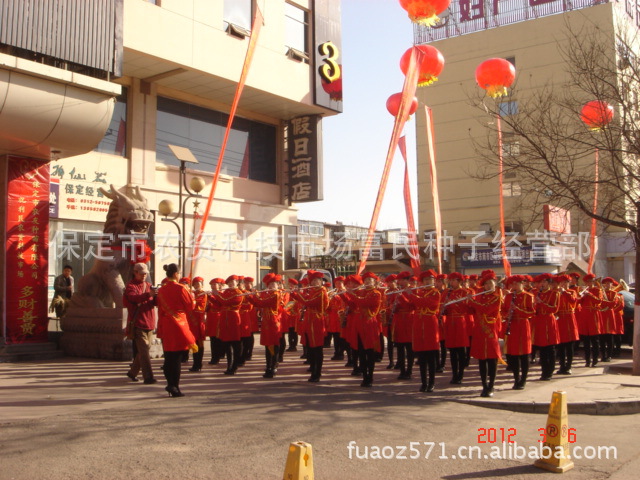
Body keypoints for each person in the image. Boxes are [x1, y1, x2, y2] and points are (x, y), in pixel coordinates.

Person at [156, 263, 196, 397]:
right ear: (175, 274)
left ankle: (169, 383)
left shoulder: (161, 290)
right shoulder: (181, 288)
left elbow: (161, 309)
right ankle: (174, 386)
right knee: (177, 357)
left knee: (168, 356)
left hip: (166, 323)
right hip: (179, 324)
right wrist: (193, 299)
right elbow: (190, 306)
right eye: (179, 273)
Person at [342, 272, 383, 387]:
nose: (367, 282)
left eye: (370, 280)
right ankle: (364, 375)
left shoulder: (376, 293)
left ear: (374, 282)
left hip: (369, 324)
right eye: (365, 280)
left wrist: (353, 294)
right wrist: (343, 295)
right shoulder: (361, 292)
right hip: (359, 325)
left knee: (369, 352)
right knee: (360, 351)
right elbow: (353, 305)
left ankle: (370, 377)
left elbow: (364, 303)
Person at [467, 270, 503, 397]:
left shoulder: (497, 297)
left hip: (491, 330)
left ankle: (491, 386)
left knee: (492, 359)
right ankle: (484, 385)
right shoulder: (479, 296)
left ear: (495, 283)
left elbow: (486, 309)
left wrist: (473, 302)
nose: (488, 286)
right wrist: (466, 301)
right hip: (479, 331)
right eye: (486, 284)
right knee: (481, 359)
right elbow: (472, 310)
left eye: (490, 283)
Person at [405, 270, 441, 392]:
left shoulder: (435, 292)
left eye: (430, 280)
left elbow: (427, 303)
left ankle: (431, 382)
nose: (427, 281)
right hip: (419, 325)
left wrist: (412, 295)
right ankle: (423, 382)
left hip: (430, 325)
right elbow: (412, 306)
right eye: (425, 280)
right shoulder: (420, 292)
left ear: (434, 281)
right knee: (422, 357)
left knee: (430, 356)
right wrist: (404, 297)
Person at [291, 270, 329, 382]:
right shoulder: (313, 291)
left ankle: (317, 373)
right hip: (309, 321)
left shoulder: (322, 291)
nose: (314, 283)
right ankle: (313, 368)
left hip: (317, 322)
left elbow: (309, 302)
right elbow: (305, 300)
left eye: (317, 281)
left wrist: (298, 294)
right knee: (310, 347)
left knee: (317, 348)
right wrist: (295, 293)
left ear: (321, 281)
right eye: (313, 281)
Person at [123, 263, 157, 384]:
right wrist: (149, 295)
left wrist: (157, 295)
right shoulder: (130, 286)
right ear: (135, 272)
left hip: (150, 322)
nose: (144, 276)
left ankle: (132, 372)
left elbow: (154, 303)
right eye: (141, 273)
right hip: (138, 322)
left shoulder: (149, 285)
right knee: (144, 352)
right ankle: (148, 377)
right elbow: (133, 298)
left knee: (144, 350)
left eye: (145, 274)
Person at [502, 275, 535, 390]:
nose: (515, 286)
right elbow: (503, 311)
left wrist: (517, 309)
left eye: (517, 284)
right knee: (514, 354)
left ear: (522, 284)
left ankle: (523, 379)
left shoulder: (528, 296)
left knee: (524, 354)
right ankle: (516, 379)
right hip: (512, 326)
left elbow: (531, 313)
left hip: (523, 325)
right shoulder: (508, 296)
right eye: (513, 284)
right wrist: (506, 315)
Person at [246, 273, 282, 378]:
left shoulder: (276, 294)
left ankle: (274, 365)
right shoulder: (267, 293)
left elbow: (262, 303)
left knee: (274, 344)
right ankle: (268, 366)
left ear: (278, 285)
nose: (271, 286)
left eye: (274, 284)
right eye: (269, 284)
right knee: (267, 345)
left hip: (273, 322)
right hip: (266, 321)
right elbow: (258, 303)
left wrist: (253, 296)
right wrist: (250, 297)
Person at [213, 275, 244, 375]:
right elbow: (219, 304)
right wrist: (211, 297)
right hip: (224, 319)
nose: (231, 284)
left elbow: (226, 301)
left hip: (233, 319)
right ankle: (229, 365)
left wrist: (217, 294)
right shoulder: (226, 292)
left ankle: (234, 366)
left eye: (233, 282)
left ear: (237, 283)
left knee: (235, 344)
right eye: (229, 282)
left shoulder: (239, 293)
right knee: (226, 344)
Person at [188, 277, 207, 372]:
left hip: (199, 319)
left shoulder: (203, 294)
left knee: (199, 341)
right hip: (192, 319)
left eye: (198, 284)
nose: (196, 286)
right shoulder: (192, 293)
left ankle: (198, 363)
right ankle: (195, 362)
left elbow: (200, 304)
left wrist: (192, 300)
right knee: (193, 341)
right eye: (195, 284)